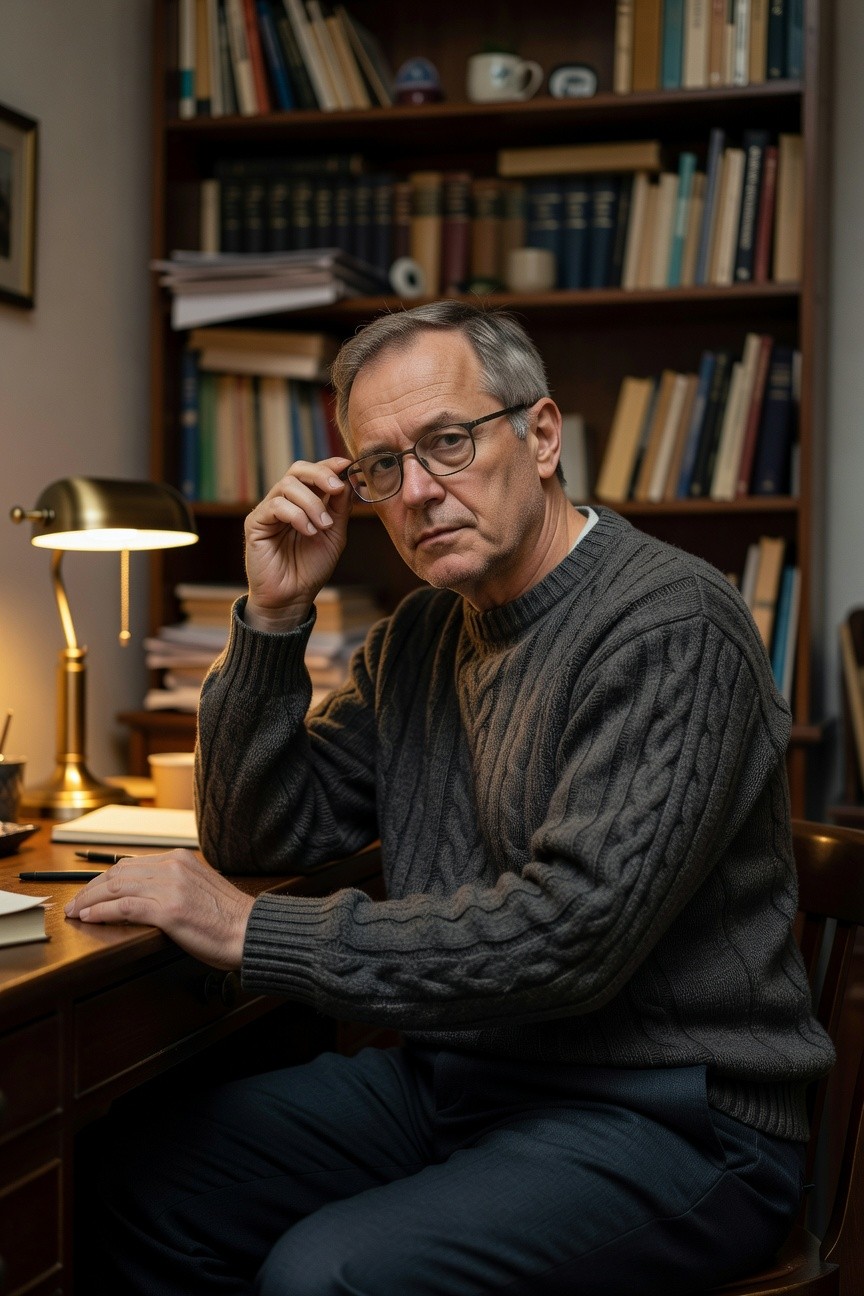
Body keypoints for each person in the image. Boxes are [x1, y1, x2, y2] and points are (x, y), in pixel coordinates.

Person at [66, 300, 833, 1295]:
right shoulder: (422, 636)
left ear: (543, 436)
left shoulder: (673, 624)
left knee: (325, 1276)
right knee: (131, 1177)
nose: (419, 492)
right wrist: (272, 616)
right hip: (469, 1081)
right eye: (381, 466)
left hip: (676, 1117)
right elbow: (259, 836)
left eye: (449, 443)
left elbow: (571, 936)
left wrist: (254, 932)